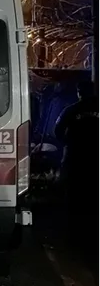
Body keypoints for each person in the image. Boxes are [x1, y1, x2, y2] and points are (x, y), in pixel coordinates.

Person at [54, 81, 100, 245]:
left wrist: (68, 143)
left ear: (79, 92)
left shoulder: (71, 110)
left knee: (73, 192)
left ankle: (73, 230)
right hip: (96, 158)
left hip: (75, 157)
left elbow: (57, 130)